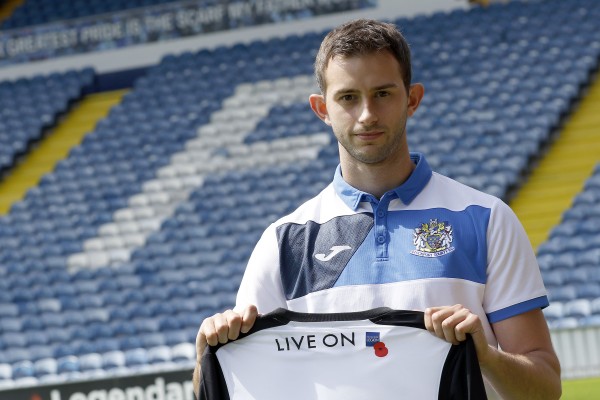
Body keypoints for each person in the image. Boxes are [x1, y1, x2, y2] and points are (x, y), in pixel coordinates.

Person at [194, 19, 561, 399]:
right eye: (348, 97)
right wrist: (209, 353)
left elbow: (546, 388)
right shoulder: (285, 240)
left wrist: (485, 356)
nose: (367, 114)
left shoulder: (486, 219)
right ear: (322, 108)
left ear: (412, 99)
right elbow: (237, 383)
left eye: (383, 93)